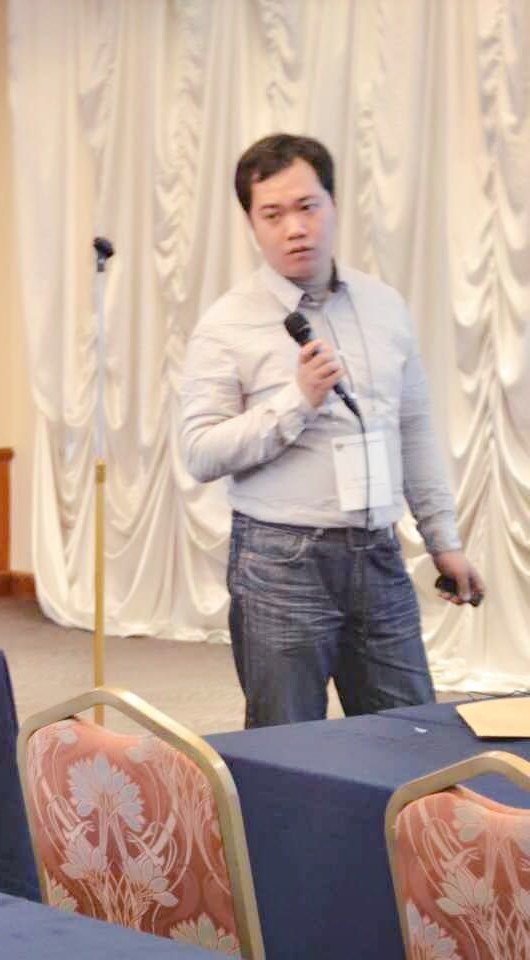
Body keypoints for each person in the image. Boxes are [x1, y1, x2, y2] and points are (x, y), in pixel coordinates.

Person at [179, 133, 484, 728]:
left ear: (334, 205)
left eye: (307, 207)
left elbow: (412, 430)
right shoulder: (227, 323)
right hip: (281, 561)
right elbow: (200, 451)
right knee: (286, 743)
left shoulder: (384, 306)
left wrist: (443, 541)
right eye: (273, 215)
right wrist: (297, 402)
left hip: (379, 554)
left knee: (413, 736)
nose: (295, 228)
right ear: (252, 224)